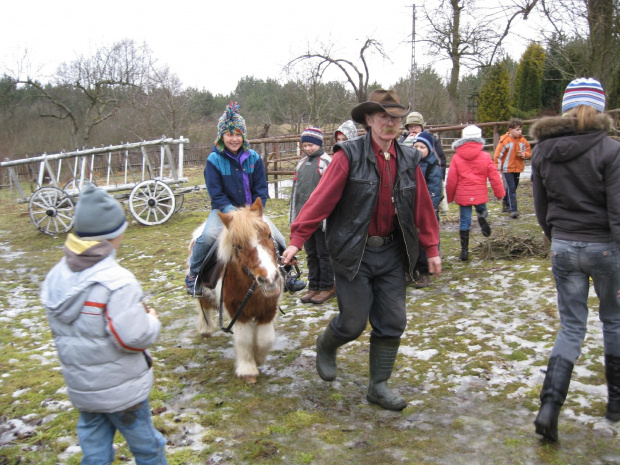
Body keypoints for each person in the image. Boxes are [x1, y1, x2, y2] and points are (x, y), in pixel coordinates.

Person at [281, 89, 441, 411]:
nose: (390, 123)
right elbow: (321, 200)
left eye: (395, 118)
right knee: (353, 321)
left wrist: (431, 247)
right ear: (368, 120)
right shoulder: (348, 156)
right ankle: (327, 344)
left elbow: (422, 204)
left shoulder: (409, 158)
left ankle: (378, 386)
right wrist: (298, 239)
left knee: (393, 320)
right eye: (383, 116)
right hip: (354, 252)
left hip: (394, 253)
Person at [40, 183, 168, 464]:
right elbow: (131, 337)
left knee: (95, 450)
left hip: (83, 390)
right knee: (148, 447)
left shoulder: (56, 276)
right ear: (114, 233)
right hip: (122, 392)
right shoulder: (117, 281)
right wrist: (151, 320)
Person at [530, 77, 620, 442]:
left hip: (564, 246)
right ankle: (616, 404)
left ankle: (549, 406)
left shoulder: (542, 151)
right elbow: (617, 211)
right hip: (605, 248)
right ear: (599, 108)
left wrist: (557, 239)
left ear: (565, 108)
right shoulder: (611, 150)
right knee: (613, 321)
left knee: (571, 326)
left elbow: (540, 207)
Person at [185, 102, 305, 296]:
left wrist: (256, 211)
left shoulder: (254, 158)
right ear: (222, 136)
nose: (234, 139)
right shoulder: (213, 161)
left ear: (244, 136)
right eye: (229, 134)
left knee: (278, 237)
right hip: (224, 211)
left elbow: (260, 188)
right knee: (206, 237)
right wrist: (233, 214)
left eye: (238, 134)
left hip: (252, 211)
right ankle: (194, 274)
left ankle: (287, 273)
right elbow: (216, 193)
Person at [290, 127, 336, 304]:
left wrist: (327, 218)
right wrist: (295, 218)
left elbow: (331, 192)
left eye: (311, 145)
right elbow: (296, 192)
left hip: (322, 220)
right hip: (305, 220)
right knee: (311, 253)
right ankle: (314, 285)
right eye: (305, 145)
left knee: (324, 254)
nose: (308, 149)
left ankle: (327, 286)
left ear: (319, 143)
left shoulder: (326, 162)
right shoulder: (300, 164)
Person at [446, 125, 505, 261]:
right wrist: (499, 193)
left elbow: (451, 179)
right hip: (479, 193)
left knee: (464, 221)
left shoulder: (456, 157)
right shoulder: (485, 156)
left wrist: (449, 197)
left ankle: (464, 251)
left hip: (463, 194)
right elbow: (494, 176)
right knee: (481, 208)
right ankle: (482, 217)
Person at [402, 131, 443, 287]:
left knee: (424, 242)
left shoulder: (433, 166)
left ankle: (424, 271)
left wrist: (429, 209)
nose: (418, 150)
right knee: (409, 242)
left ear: (429, 149)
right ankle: (409, 271)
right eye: (416, 146)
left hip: (426, 210)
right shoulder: (409, 164)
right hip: (410, 210)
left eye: (422, 147)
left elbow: (434, 189)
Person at [494, 118, 531, 218]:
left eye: (521, 129)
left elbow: (528, 151)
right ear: (510, 130)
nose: (520, 132)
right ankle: (513, 209)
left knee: (513, 187)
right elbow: (498, 155)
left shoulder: (523, 141)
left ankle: (505, 202)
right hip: (507, 169)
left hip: (518, 168)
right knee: (512, 189)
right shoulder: (504, 141)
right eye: (517, 129)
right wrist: (498, 167)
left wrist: (525, 154)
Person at [400, 111, 447, 178]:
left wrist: (440, 177)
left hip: (429, 176)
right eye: (410, 126)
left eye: (416, 126)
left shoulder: (431, 140)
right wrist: (407, 144)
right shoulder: (402, 141)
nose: (413, 128)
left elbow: (441, 160)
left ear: (421, 126)